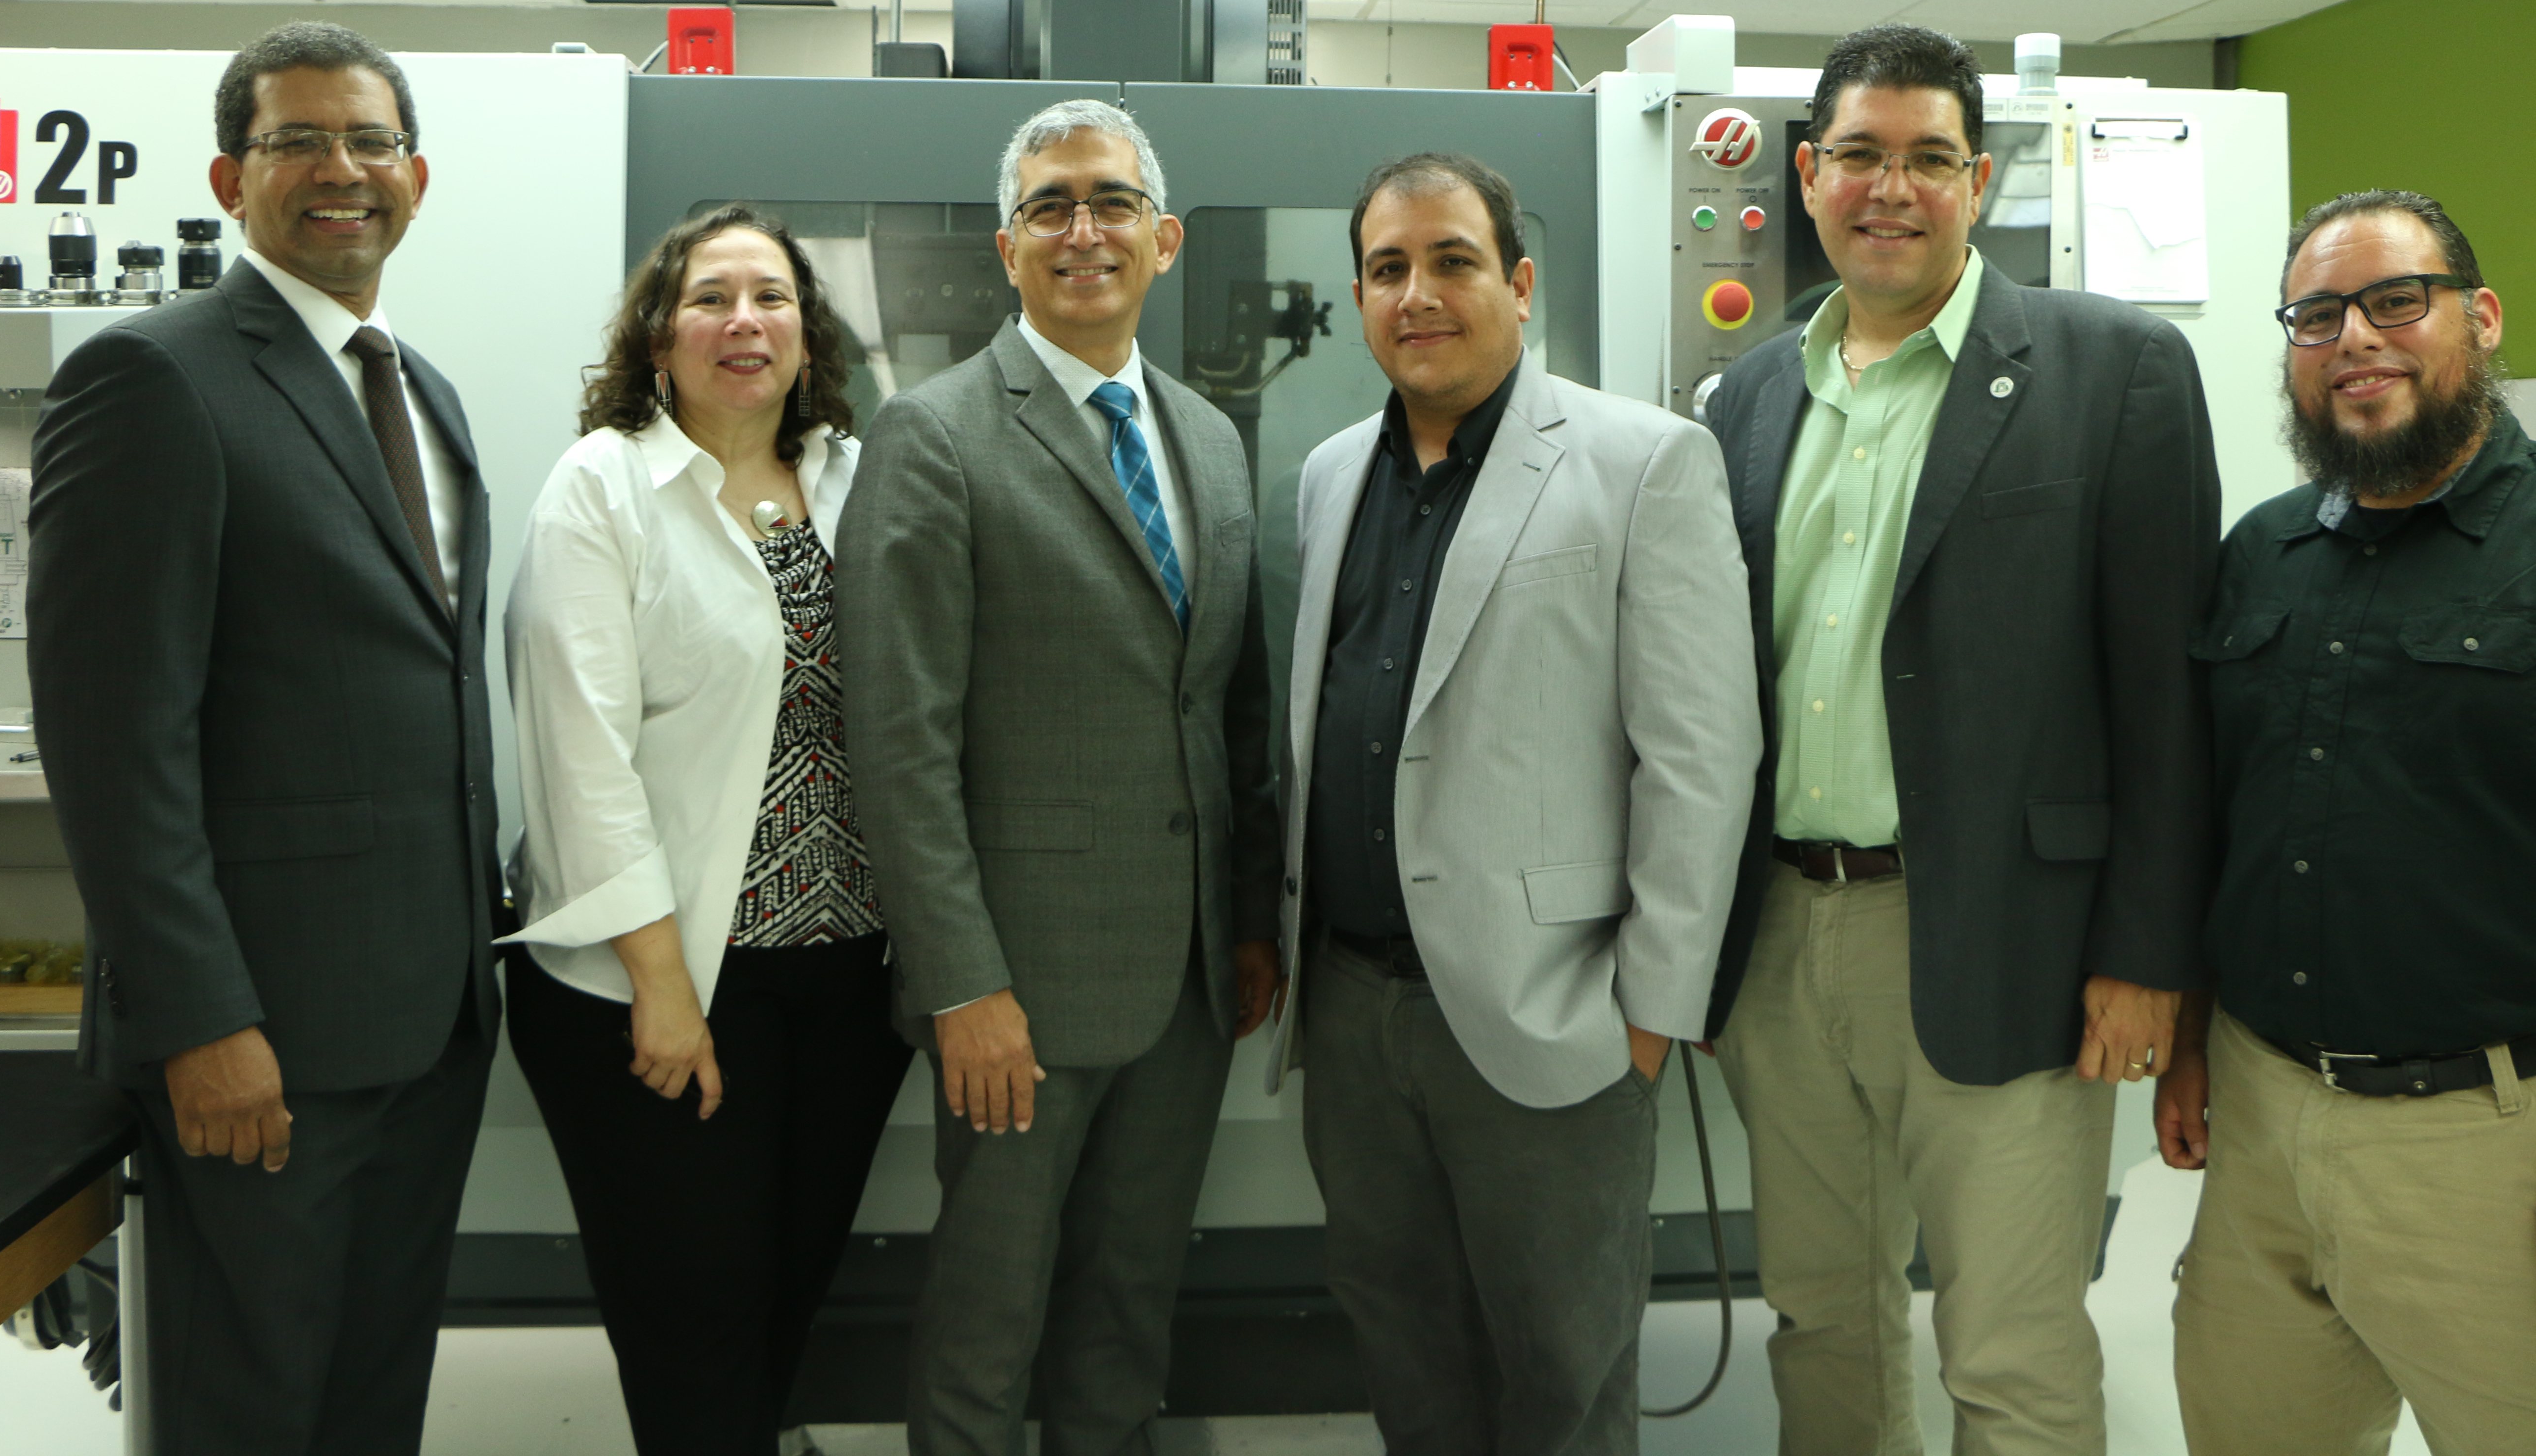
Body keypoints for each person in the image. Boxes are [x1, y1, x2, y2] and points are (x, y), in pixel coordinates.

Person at [1697, 24, 2220, 1454]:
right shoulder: (1747, 398)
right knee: (1822, 1320)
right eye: (1861, 155)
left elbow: (2168, 697)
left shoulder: (2113, 370)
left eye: (1931, 159)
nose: (1893, 187)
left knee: (2012, 1343)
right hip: (1786, 937)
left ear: (1979, 182)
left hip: (2013, 936)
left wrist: (2146, 959)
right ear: (1807, 177)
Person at [27, 21, 497, 1456]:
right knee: (249, 1412)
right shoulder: (154, 379)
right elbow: (116, 748)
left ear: (417, 177)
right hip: (262, 1037)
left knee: (371, 1401)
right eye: (298, 141)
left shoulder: (423, 393)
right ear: (233, 178)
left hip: (424, 1023)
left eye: (366, 142)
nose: (338, 170)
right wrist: (203, 1023)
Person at [1267, 153, 1757, 1456]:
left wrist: (1652, 1011)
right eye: (1387, 269)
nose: (1417, 294)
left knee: (1561, 1371)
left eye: (1452, 261)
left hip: (1556, 1014)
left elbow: (1703, 758)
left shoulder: (1644, 461)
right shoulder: (1329, 476)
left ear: (1520, 284)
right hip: (1359, 1016)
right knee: (1403, 1344)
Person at [835, 98, 1280, 1456]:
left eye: (1107, 203)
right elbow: (898, 738)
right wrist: (964, 984)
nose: (1082, 231)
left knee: (1127, 1310)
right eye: (1050, 208)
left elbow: (1231, 705)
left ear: (1166, 238)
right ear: (1008, 245)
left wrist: (1251, 919)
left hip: (1190, 979)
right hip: (1018, 988)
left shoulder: (1207, 436)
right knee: (990, 1316)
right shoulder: (938, 433)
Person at [2160, 190, 2536, 1455]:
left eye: (2393, 302)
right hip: (2263, 1130)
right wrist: (2198, 1036)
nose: (2355, 337)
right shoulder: (2261, 554)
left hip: (2507, 1142)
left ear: (2477, 319)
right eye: (2318, 315)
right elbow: (2224, 823)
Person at [500, 203, 909, 1455]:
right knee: (692, 1319)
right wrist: (662, 988)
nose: (746, 322)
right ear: (659, 334)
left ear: (807, 329)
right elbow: (581, 759)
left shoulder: (855, 475)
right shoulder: (606, 487)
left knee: (786, 1296)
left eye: (773, 297)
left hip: (843, 983)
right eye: (712, 299)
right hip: (662, 983)